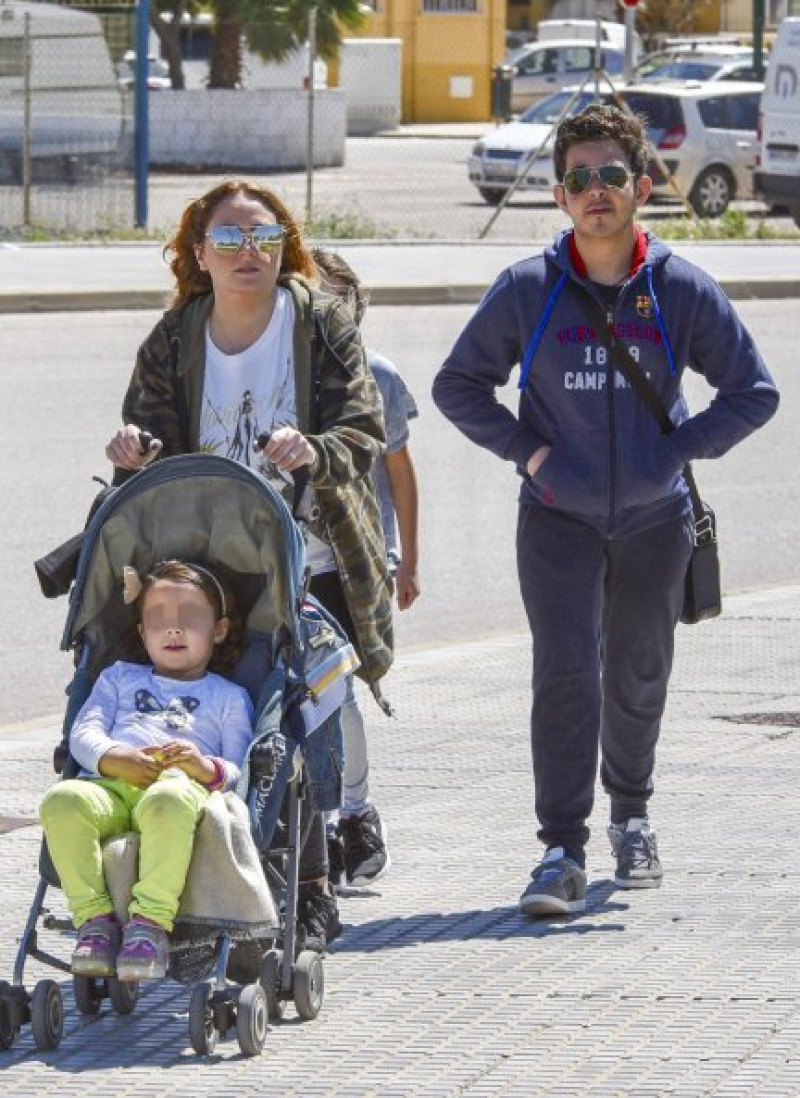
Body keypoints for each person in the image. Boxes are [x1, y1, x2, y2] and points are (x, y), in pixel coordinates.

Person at [432, 105, 779, 917]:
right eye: (580, 179)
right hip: (557, 519)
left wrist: (676, 452)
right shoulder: (527, 290)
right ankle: (561, 849)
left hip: (657, 521)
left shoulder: (681, 290)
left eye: (611, 177)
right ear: (559, 196)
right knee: (564, 677)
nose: (596, 192)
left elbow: (753, 392)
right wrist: (531, 452)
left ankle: (633, 813)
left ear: (642, 188)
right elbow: (458, 385)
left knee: (637, 673)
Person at [103, 180, 393, 952]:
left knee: (314, 713)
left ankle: (318, 873)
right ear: (199, 254)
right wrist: (135, 450)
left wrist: (315, 450)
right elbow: (150, 434)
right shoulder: (176, 335)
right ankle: (199, 876)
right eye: (227, 241)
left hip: (313, 550)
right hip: (207, 562)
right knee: (233, 720)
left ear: (285, 247)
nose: (246, 255)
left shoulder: (322, 324)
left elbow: (366, 430)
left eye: (263, 240)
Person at [40, 560, 253, 981]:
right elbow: (84, 732)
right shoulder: (119, 678)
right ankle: (94, 921)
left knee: (168, 795)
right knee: (62, 801)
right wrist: (112, 756)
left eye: (189, 619)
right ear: (141, 631)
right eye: (158, 619)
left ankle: (149, 924)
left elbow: (239, 769)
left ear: (220, 630)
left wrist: (201, 766)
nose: (173, 629)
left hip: (179, 791)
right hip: (113, 785)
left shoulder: (228, 696)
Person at [312, 247, 420, 889]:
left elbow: (400, 476)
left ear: (353, 305)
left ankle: (353, 813)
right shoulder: (282, 368)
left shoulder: (378, 376)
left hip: (356, 561)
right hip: (290, 557)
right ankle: (311, 822)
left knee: (338, 690)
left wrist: (406, 560)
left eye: (330, 298)